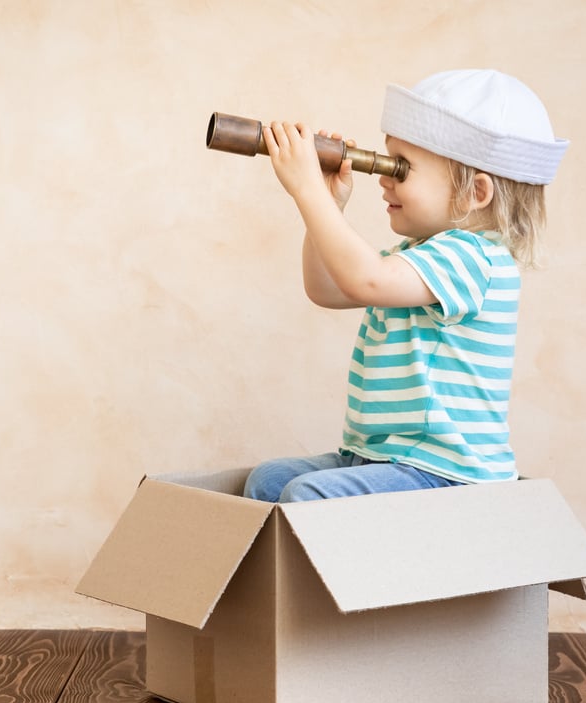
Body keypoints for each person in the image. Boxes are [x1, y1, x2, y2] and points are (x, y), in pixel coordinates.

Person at [243, 69, 569, 503]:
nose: (384, 178)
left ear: (476, 192)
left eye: (402, 168)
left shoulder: (474, 258)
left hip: (445, 472)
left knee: (307, 497)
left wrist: (308, 191)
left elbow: (364, 280)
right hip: (381, 458)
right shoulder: (419, 255)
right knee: (267, 482)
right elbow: (328, 289)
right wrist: (329, 207)